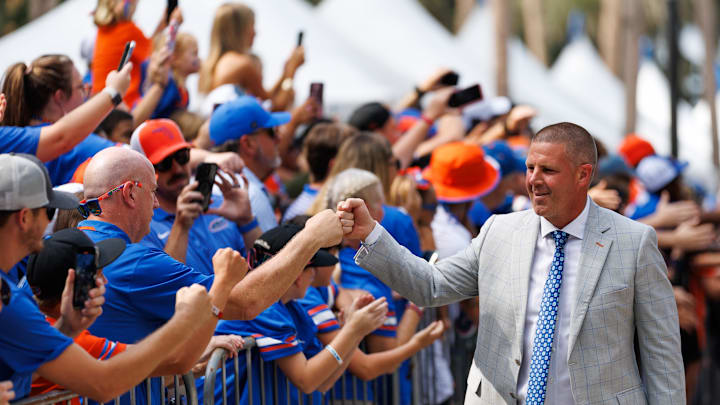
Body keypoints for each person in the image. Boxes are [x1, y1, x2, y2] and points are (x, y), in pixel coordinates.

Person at [339, 122, 685, 404]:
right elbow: (430, 285)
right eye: (530, 167)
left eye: (548, 170)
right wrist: (372, 234)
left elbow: (662, 356)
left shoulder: (633, 242)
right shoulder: (499, 231)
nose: (533, 180)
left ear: (584, 175)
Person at [0, 153, 223, 402]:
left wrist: (68, 329)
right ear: (24, 218)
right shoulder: (10, 303)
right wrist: (185, 320)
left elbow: (31, 369)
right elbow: (104, 383)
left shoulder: (9, 292)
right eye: (48, 211)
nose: (53, 222)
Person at [200, 223, 388, 404]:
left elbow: (322, 382)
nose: (313, 274)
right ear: (295, 272)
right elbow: (306, 380)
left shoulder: (293, 307)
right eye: (310, 268)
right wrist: (353, 331)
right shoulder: (267, 310)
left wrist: (353, 332)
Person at [129, 119, 260, 267]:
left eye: (181, 157)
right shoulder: (143, 227)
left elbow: (262, 270)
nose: (177, 169)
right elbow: (167, 284)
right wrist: (181, 226)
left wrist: (247, 222)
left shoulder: (218, 203)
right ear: (144, 171)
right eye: (164, 164)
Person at [198, 3, 304, 111]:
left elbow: (265, 96)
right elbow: (273, 107)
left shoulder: (214, 64)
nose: (255, 33)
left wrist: (284, 75)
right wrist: (292, 71)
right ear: (240, 31)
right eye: (252, 26)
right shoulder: (241, 64)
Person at [209, 96, 289, 231]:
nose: (279, 138)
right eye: (271, 132)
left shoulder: (205, 182)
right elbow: (275, 253)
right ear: (248, 144)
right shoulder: (250, 195)